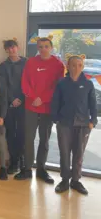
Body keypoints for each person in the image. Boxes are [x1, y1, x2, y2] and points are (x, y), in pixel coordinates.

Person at [14, 36, 65, 183]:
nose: (43, 49)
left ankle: (41, 169)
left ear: (51, 47)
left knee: (44, 140)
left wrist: (42, 99)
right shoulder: (31, 62)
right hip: (30, 106)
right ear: (37, 48)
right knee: (28, 139)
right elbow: (25, 82)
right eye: (40, 47)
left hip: (47, 108)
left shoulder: (58, 64)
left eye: (46, 46)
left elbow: (57, 86)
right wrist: (33, 97)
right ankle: (27, 169)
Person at [51, 55, 96, 195]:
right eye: (74, 65)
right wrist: (56, 119)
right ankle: (65, 180)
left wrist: (92, 121)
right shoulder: (62, 83)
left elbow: (93, 105)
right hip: (64, 123)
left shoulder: (88, 84)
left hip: (83, 125)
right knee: (64, 153)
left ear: (82, 67)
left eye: (80, 65)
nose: (77, 67)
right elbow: (55, 103)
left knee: (79, 154)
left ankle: (75, 180)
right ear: (68, 66)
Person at [0, 38, 27, 174]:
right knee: (10, 133)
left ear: (18, 47)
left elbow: (29, 82)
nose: (11, 50)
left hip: (24, 104)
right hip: (8, 104)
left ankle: (21, 159)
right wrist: (11, 99)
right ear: (6, 50)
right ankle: (13, 161)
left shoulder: (26, 63)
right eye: (8, 48)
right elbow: (2, 86)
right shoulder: (3, 66)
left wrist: (20, 98)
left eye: (13, 47)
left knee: (22, 132)